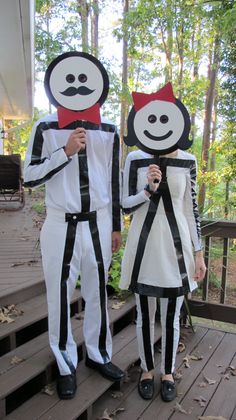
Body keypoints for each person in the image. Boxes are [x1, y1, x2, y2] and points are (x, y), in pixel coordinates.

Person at [24, 51, 124, 400]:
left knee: (98, 292)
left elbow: (113, 180)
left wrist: (116, 227)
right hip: (59, 224)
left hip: (98, 224)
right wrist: (64, 152)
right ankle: (65, 362)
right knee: (60, 294)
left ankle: (97, 354)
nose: (79, 86)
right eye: (71, 79)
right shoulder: (45, 126)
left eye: (85, 79)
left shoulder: (110, 129)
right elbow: (29, 177)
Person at [119, 83, 206, 402]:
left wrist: (198, 254)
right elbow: (125, 205)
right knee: (144, 315)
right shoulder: (136, 159)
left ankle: (167, 371)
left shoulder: (188, 160)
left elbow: (190, 209)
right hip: (144, 250)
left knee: (171, 317)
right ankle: (146, 370)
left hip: (177, 250)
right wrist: (147, 189)